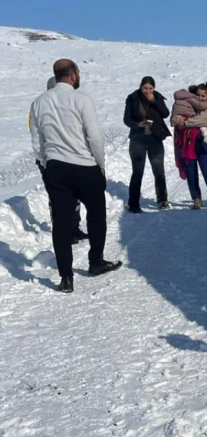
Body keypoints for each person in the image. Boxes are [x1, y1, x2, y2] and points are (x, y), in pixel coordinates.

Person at [30, 59, 122, 293]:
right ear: (73, 74)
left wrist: (46, 164)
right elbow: (95, 137)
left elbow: (37, 141)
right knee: (96, 215)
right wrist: (100, 164)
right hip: (85, 166)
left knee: (61, 223)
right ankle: (96, 261)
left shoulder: (39, 102)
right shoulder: (82, 99)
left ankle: (66, 278)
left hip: (56, 168)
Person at [29, 76, 88, 244]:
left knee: (75, 194)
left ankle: (74, 227)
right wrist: (43, 160)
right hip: (50, 159)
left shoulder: (69, 104)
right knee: (57, 198)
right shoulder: (40, 105)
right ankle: (62, 232)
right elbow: (35, 134)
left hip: (71, 156)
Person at [172, 82, 207, 211]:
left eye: (203, 96)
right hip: (188, 142)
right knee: (190, 171)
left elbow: (203, 120)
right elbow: (174, 118)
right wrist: (178, 119)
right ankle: (196, 198)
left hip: (202, 142)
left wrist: (185, 122)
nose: (200, 98)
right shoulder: (190, 105)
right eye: (198, 95)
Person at [123, 76, 172, 213]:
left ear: (154, 88)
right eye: (145, 88)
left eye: (150, 88)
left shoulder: (157, 97)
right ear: (140, 87)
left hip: (155, 138)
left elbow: (165, 113)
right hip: (137, 139)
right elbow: (126, 119)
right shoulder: (133, 98)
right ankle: (133, 204)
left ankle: (162, 200)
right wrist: (138, 124)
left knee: (159, 170)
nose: (148, 91)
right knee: (137, 172)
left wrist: (154, 101)